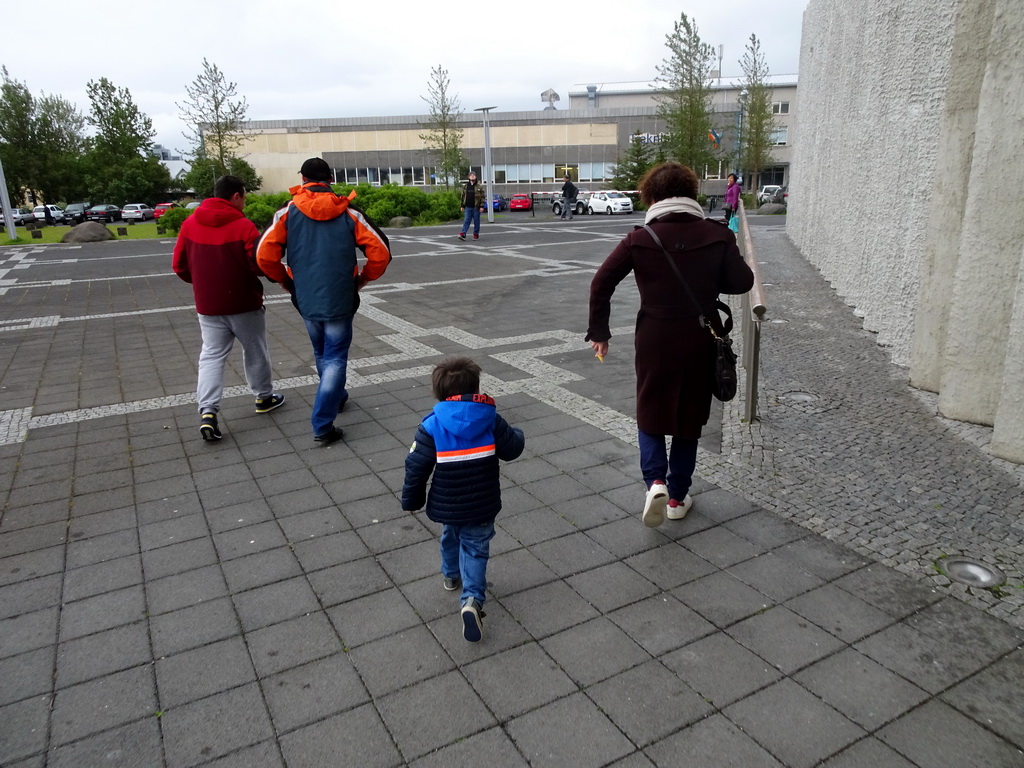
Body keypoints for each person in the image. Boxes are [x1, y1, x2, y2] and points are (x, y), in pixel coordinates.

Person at [586, 162, 753, 527]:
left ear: (652, 196)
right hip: (698, 335)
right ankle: (677, 498)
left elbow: (601, 283)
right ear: (691, 193)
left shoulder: (640, 238)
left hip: (654, 337)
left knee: (651, 408)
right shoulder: (717, 234)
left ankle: (655, 483)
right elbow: (742, 282)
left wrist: (600, 333)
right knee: (689, 414)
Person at [257, 158, 392, 444]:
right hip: (341, 296)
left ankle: (336, 396)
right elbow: (381, 253)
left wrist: (284, 280)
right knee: (335, 357)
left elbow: (263, 256)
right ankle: (322, 423)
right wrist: (363, 279)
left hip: (305, 296)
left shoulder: (287, 212)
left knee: (322, 351)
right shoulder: (349, 212)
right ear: (329, 178)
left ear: (303, 178)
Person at [401, 355, 525, 642]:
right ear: (476, 389)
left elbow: (416, 466)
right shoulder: (490, 419)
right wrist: (516, 433)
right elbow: (513, 448)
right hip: (482, 504)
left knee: (450, 535)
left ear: (440, 392)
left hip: (448, 504)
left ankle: (450, 576)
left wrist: (412, 499)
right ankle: (472, 600)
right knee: (476, 549)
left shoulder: (431, 426)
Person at [172, 175, 285, 441]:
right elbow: (258, 263)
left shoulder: (189, 224)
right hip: (244, 303)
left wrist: (202, 282)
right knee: (255, 350)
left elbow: (179, 265)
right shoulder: (243, 227)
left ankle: (208, 411)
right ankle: (263, 397)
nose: (245, 202)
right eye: (244, 197)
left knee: (211, 356)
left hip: (208, 305)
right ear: (236, 196)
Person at [458, 172, 486, 241]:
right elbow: (463, 196)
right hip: (468, 206)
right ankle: (463, 233)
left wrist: (482, 206)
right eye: (471, 175)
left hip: (476, 207)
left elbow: (482, 197)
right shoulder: (466, 186)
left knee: (476, 221)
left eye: (474, 175)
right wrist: (462, 206)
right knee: (467, 220)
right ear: (469, 177)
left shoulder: (479, 187)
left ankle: (476, 234)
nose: (472, 176)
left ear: (476, 177)